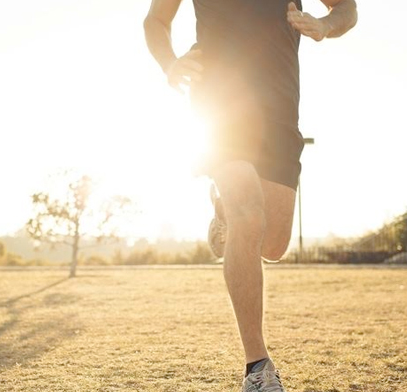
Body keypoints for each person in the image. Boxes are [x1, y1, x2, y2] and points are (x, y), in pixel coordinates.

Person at [143, 0, 357, 390]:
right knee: (249, 213)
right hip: (220, 105)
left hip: (279, 114)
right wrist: (170, 63)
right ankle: (257, 366)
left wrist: (326, 25)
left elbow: (347, 8)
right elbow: (156, 20)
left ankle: (225, 210)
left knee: (273, 244)